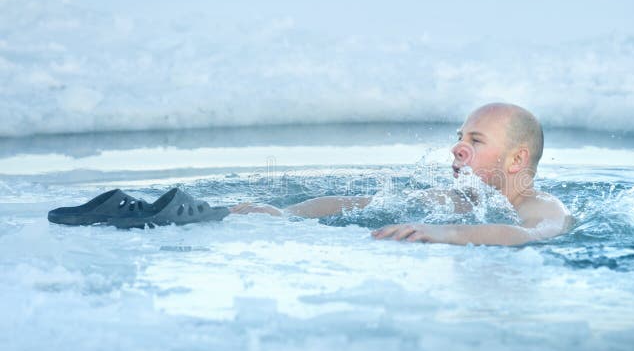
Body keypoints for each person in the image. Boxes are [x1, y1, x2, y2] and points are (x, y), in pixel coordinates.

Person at [230, 103, 571, 245]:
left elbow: (528, 236)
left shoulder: (543, 208)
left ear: (516, 160)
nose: (457, 148)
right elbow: (362, 203)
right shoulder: (458, 201)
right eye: (459, 138)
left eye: (476, 140)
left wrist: (445, 233)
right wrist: (287, 214)